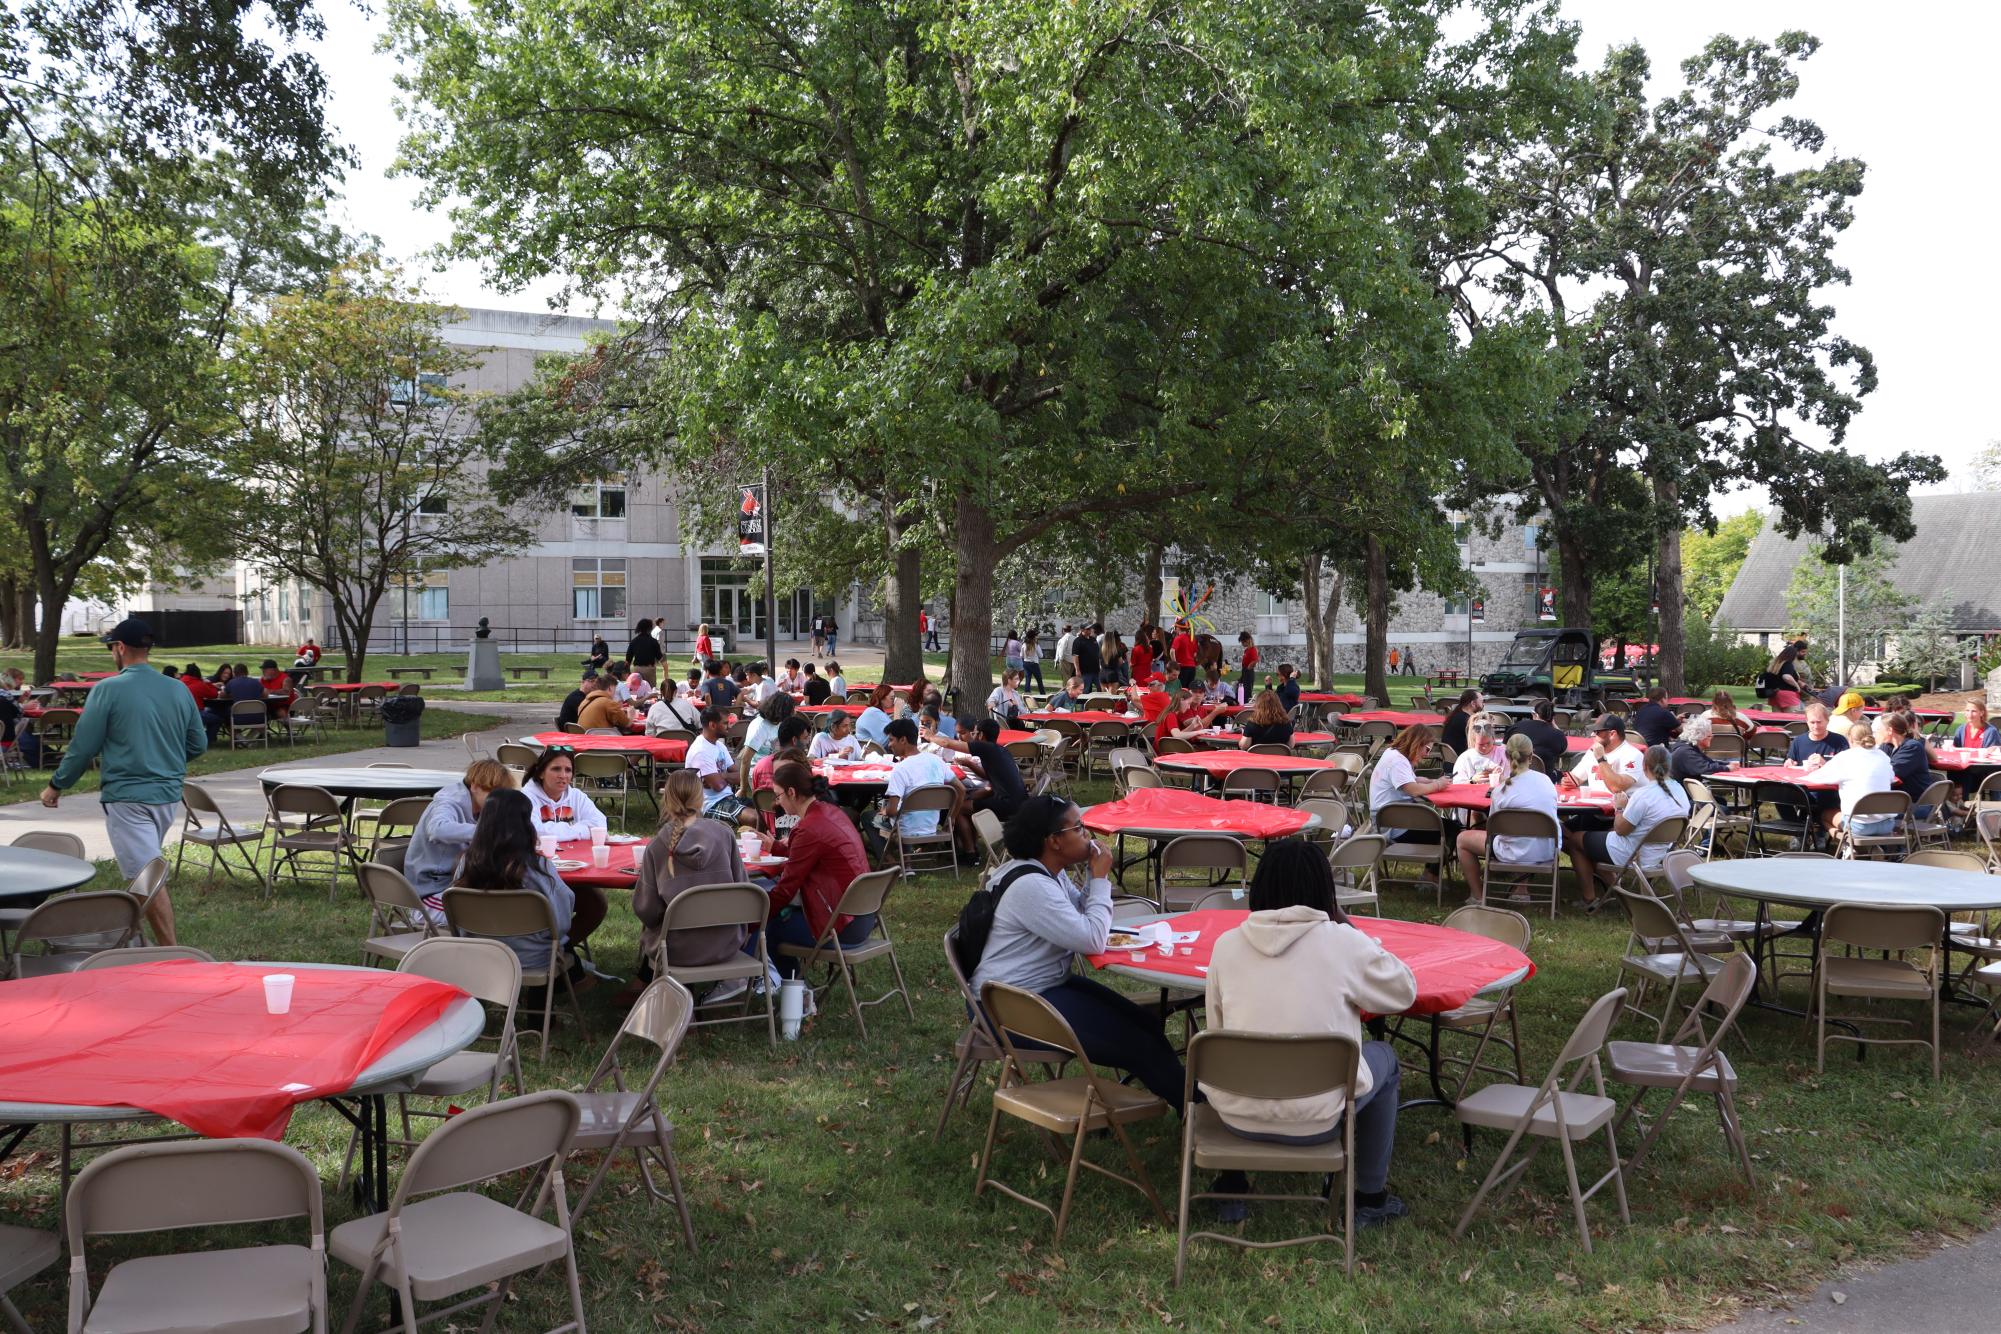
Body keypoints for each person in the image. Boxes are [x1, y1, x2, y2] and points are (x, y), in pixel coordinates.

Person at [1200, 837, 1415, 1224]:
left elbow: (1217, 1033)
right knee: (1386, 1059)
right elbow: (1403, 990)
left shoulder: (1225, 947)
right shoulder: (1343, 943)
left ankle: (1232, 1182)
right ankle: (1370, 1196)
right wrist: (1346, 924)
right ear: (1325, 893)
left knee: (1239, 1049)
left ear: (1259, 886)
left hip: (1236, 1112)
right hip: (1318, 1117)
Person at [971, 795, 1186, 1111]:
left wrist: (1091, 877)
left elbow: (1083, 913)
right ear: (1055, 841)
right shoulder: (1032, 887)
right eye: (1080, 828)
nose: (1089, 836)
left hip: (1039, 987)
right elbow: (1092, 939)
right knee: (1139, 1044)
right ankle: (1198, 1110)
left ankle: (1182, 1097)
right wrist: (1099, 878)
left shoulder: (1047, 873)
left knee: (1146, 1023)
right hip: (1006, 1008)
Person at [41, 618, 204, 945]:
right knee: (145, 870)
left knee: (146, 876)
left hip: (128, 799)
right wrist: (165, 763)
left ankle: (170, 955)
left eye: (110, 647)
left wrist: (57, 785)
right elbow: (197, 744)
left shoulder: (108, 689)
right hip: (167, 797)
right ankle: (131, 940)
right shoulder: (177, 689)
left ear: (120, 648)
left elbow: (83, 746)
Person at [632, 769, 756, 996]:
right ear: (700, 799)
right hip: (725, 944)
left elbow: (646, 910)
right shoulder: (724, 835)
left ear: (666, 799)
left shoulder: (658, 847)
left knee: (660, 927)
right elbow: (743, 892)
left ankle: (647, 988)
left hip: (675, 950)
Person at [765, 757, 875, 980]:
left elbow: (785, 890)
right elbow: (813, 853)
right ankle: (793, 989)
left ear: (792, 793)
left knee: (768, 929)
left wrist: (753, 918)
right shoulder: (829, 812)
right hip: (864, 917)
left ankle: (795, 993)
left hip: (841, 927)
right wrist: (776, 847)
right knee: (775, 917)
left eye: (778, 796)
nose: (776, 803)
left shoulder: (808, 828)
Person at [456, 788, 581, 976]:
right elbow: (561, 923)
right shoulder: (538, 867)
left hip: (477, 955)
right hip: (532, 958)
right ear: (525, 825)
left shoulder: (466, 863)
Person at [1563, 744, 1689, 910]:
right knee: (1594, 838)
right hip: (1661, 852)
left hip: (1634, 854)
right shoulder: (1679, 790)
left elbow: (1620, 829)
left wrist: (1620, 807)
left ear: (1644, 767)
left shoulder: (1644, 795)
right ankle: (1615, 888)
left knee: (1575, 840)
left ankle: (1589, 899)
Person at [1454, 735, 1560, 905]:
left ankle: (1478, 896)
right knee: (1522, 836)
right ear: (1532, 756)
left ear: (1507, 756)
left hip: (1512, 851)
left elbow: (1494, 828)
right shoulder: (1547, 781)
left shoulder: (1501, 790)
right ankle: (1521, 890)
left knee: (1462, 839)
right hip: (1546, 850)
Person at [404, 758, 515, 911]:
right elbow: (437, 829)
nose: (499, 800)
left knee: (510, 903)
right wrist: (487, 832)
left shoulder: (483, 806)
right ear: (475, 786)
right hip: (431, 892)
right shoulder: (449, 801)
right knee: (493, 914)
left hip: (461, 883)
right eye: (494, 793)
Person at [1368, 725, 1451, 877]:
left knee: (1446, 827)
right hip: (1394, 827)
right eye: (1427, 749)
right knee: (1452, 831)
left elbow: (1409, 780)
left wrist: (1429, 781)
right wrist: (1437, 784)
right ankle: (1430, 876)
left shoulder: (1392, 753)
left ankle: (1430, 875)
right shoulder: (1398, 762)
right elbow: (1413, 790)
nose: (1427, 755)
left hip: (1387, 821)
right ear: (1417, 743)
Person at [931, 714, 1028, 828]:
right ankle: (966, 844)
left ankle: (957, 840)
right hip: (1022, 801)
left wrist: (930, 736)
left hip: (1007, 805)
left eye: (975, 733)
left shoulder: (984, 747)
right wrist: (970, 765)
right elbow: (989, 778)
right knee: (965, 806)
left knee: (958, 807)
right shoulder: (1001, 750)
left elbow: (947, 743)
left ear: (981, 735)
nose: (974, 737)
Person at [1803, 723, 1897, 837]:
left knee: (1824, 814)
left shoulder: (1845, 757)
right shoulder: (1883, 756)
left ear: (1850, 739)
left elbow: (1817, 777)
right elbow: (1891, 778)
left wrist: (1812, 768)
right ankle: (1871, 848)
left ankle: (1846, 846)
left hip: (1858, 825)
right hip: (1887, 824)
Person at [879, 717, 960, 843]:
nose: (889, 745)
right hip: (931, 828)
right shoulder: (936, 761)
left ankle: (891, 861)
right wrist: (952, 818)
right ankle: (907, 860)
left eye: (891, 740)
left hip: (904, 831)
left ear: (903, 740)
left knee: (868, 817)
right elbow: (961, 788)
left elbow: (892, 811)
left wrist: (885, 810)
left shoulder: (900, 769)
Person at [520, 746, 610, 842]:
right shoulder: (526, 798)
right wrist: (583, 830)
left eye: (568, 770)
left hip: (575, 855)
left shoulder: (577, 797)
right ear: (541, 773)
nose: (563, 775)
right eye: (556, 769)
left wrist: (558, 832)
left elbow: (599, 825)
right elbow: (535, 832)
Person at [685, 709, 743, 818]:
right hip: (710, 805)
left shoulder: (719, 746)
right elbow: (718, 786)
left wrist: (722, 776)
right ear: (712, 725)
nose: (729, 727)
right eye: (725, 723)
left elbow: (740, 777)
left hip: (728, 798)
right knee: (754, 817)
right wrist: (726, 778)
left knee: (763, 809)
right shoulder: (700, 750)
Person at [1878, 712, 1935, 815]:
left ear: (1890, 731)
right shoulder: (1887, 746)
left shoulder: (1912, 747)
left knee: (1872, 814)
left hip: (1916, 804)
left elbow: (1891, 773)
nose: (1877, 733)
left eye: (1879, 729)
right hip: (1896, 801)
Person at [1577, 717, 1645, 795]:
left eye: (1597, 732)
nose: (1592, 735)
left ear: (1612, 734)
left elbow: (1616, 788)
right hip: (1596, 804)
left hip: (1625, 806)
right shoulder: (1593, 751)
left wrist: (1601, 759)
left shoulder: (1633, 755)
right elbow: (1576, 778)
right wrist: (1569, 781)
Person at [1505, 698, 1568, 775]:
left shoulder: (1517, 726)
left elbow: (1504, 747)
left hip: (1517, 774)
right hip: (1546, 777)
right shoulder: (1558, 735)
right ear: (1552, 718)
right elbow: (1564, 751)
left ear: (1535, 715)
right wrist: (1554, 725)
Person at [1667, 714, 1733, 782]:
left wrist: (1727, 764)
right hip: (1682, 791)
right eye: (1709, 736)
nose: (1712, 738)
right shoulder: (1686, 752)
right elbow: (1705, 768)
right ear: (1701, 737)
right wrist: (1727, 768)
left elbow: (1708, 762)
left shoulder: (1688, 748)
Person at [750, 720, 812, 790]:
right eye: (805, 738)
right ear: (794, 740)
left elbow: (755, 795)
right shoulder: (800, 768)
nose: (807, 742)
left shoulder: (760, 765)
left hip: (765, 801)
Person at [1154, 685, 1226, 744]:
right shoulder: (1171, 715)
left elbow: (1180, 734)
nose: (1189, 707)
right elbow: (1177, 735)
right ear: (1181, 700)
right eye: (1188, 703)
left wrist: (1192, 725)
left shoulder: (1170, 713)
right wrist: (1198, 732)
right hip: (1165, 753)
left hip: (1167, 748)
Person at [1450, 714, 1506, 782]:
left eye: (1488, 743)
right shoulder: (1465, 758)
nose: (1484, 747)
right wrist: (1472, 781)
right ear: (1474, 741)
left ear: (1493, 739)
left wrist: (1501, 777)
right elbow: (1457, 784)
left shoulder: (1504, 753)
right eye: (1481, 744)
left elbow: (1515, 778)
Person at [743, 690, 797, 759]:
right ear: (782, 710)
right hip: (759, 767)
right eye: (791, 710)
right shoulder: (759, 727)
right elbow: (746, 759)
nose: (794, 713)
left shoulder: (778, 722)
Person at [1765, 639, 1810, 711]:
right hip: (1787, 695)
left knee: (1777, 720)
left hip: (1775, 695)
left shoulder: (1776, 665)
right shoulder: (1788, 664)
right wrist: (1797, 686)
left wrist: (1799, 682)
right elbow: (1786, 676)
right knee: (1793, 719)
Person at [1439, 688, 1483, 757]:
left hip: (1450, 759)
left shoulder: (1456, 715)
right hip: (1462, 761)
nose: (1483, 705)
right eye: (1481, 702)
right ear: (1473, 703)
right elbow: (1480, 741)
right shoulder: (1466, 721)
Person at [626, 618, 664, 685]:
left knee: (636, 690)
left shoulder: (634, 641)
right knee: (650, 690)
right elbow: (660, 657)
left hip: (636, 670)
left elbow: (628, 660)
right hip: (649, 670)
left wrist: (628, 673)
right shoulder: (653, 642)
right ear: (649, 629)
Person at [1070, 622, 1102, 690]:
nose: (1089, 630)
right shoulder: (1078, 641)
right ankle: (1083, 701)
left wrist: (1100, 666)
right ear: (1082, 630)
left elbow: (1097, 654)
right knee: (1085, 690)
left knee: (1101, 689)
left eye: (1090, 629)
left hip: (1096, 671)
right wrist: (1077, 670)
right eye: (1087, 629)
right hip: (1085, 671)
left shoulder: (1093, 639)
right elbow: (1075, 656)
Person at [1169, 621, 1199, 689]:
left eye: (1176, 627)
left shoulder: (1178, 638)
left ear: (1178, 628)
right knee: (1189, 690)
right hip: (1192, 667)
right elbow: (1195, 654)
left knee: (1181, 689)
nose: (1175, 628)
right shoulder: (1192, 639)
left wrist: (1175, 663)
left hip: (1182, 667)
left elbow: (1172, 651)